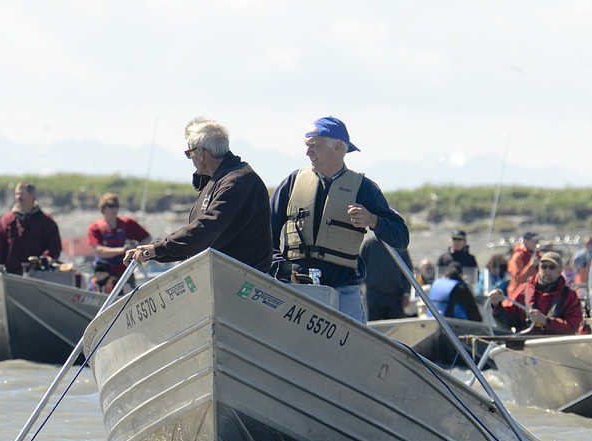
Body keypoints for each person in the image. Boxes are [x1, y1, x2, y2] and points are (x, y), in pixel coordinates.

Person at [269, 116, 409, 323]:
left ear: (339, 146)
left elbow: (401, 237)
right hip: (295, 286)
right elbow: (265, 231)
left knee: (351, 350)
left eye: (314, 146)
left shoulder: (364, 188)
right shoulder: (292, 183)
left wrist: (373, 220)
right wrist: (279, 266)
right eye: (307, 146)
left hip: (343, 291)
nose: (308, 153)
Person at [124, 118, 272, 273]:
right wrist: (154, 251)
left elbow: (206, 229)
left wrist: (156, 249)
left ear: (200, 153)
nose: (191, 159)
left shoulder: (237, 181)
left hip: (241, 281)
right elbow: (196, 240)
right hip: (222, 276)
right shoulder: (219, 180)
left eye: (189, 153)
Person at [487, 252, 582, 334]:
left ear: (560, 270)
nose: (547, 270)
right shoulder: (523, 290)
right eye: (544, 267)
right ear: (539, 268)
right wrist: (496, 305)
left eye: (552, 267)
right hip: (527, 346)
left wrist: (546, 321)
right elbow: (506, 322)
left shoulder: (570, 296)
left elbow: (573, 326)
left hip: (556, 347)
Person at [0, 182, 62, 274]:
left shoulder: (47, 222)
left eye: (22, 194)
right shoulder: (6, 221)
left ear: (32, 195)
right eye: (17, 194)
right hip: (11, 276)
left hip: (37, 277)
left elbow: (54, 249)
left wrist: (43, 261)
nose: (19, 197)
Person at [87, 193, 151, 282]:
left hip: (125, 272)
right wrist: (123, 250)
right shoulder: (95, 227)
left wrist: (136, 250)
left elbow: (147, 238)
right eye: (111, 206)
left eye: (116, 206)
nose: (114, 209)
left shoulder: (128, 223)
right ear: (103, 207)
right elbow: (100, 251)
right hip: (104, 274)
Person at [360, 235, 412, 321]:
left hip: (395, 296)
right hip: (373, 296)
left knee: (397, 328)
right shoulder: (369, 244)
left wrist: (406, 293)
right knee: (373, 328)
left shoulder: (399, 244)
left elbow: (408, 271)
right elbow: (360, 267)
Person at [507, 231, 540, 295]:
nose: (536, 243)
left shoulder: (538, 255)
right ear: (525, 241)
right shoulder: (517, 256)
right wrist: (531, 265)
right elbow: (518, 279)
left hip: (532, 293)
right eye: (534, 241)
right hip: (518, 295)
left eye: (537, 241)